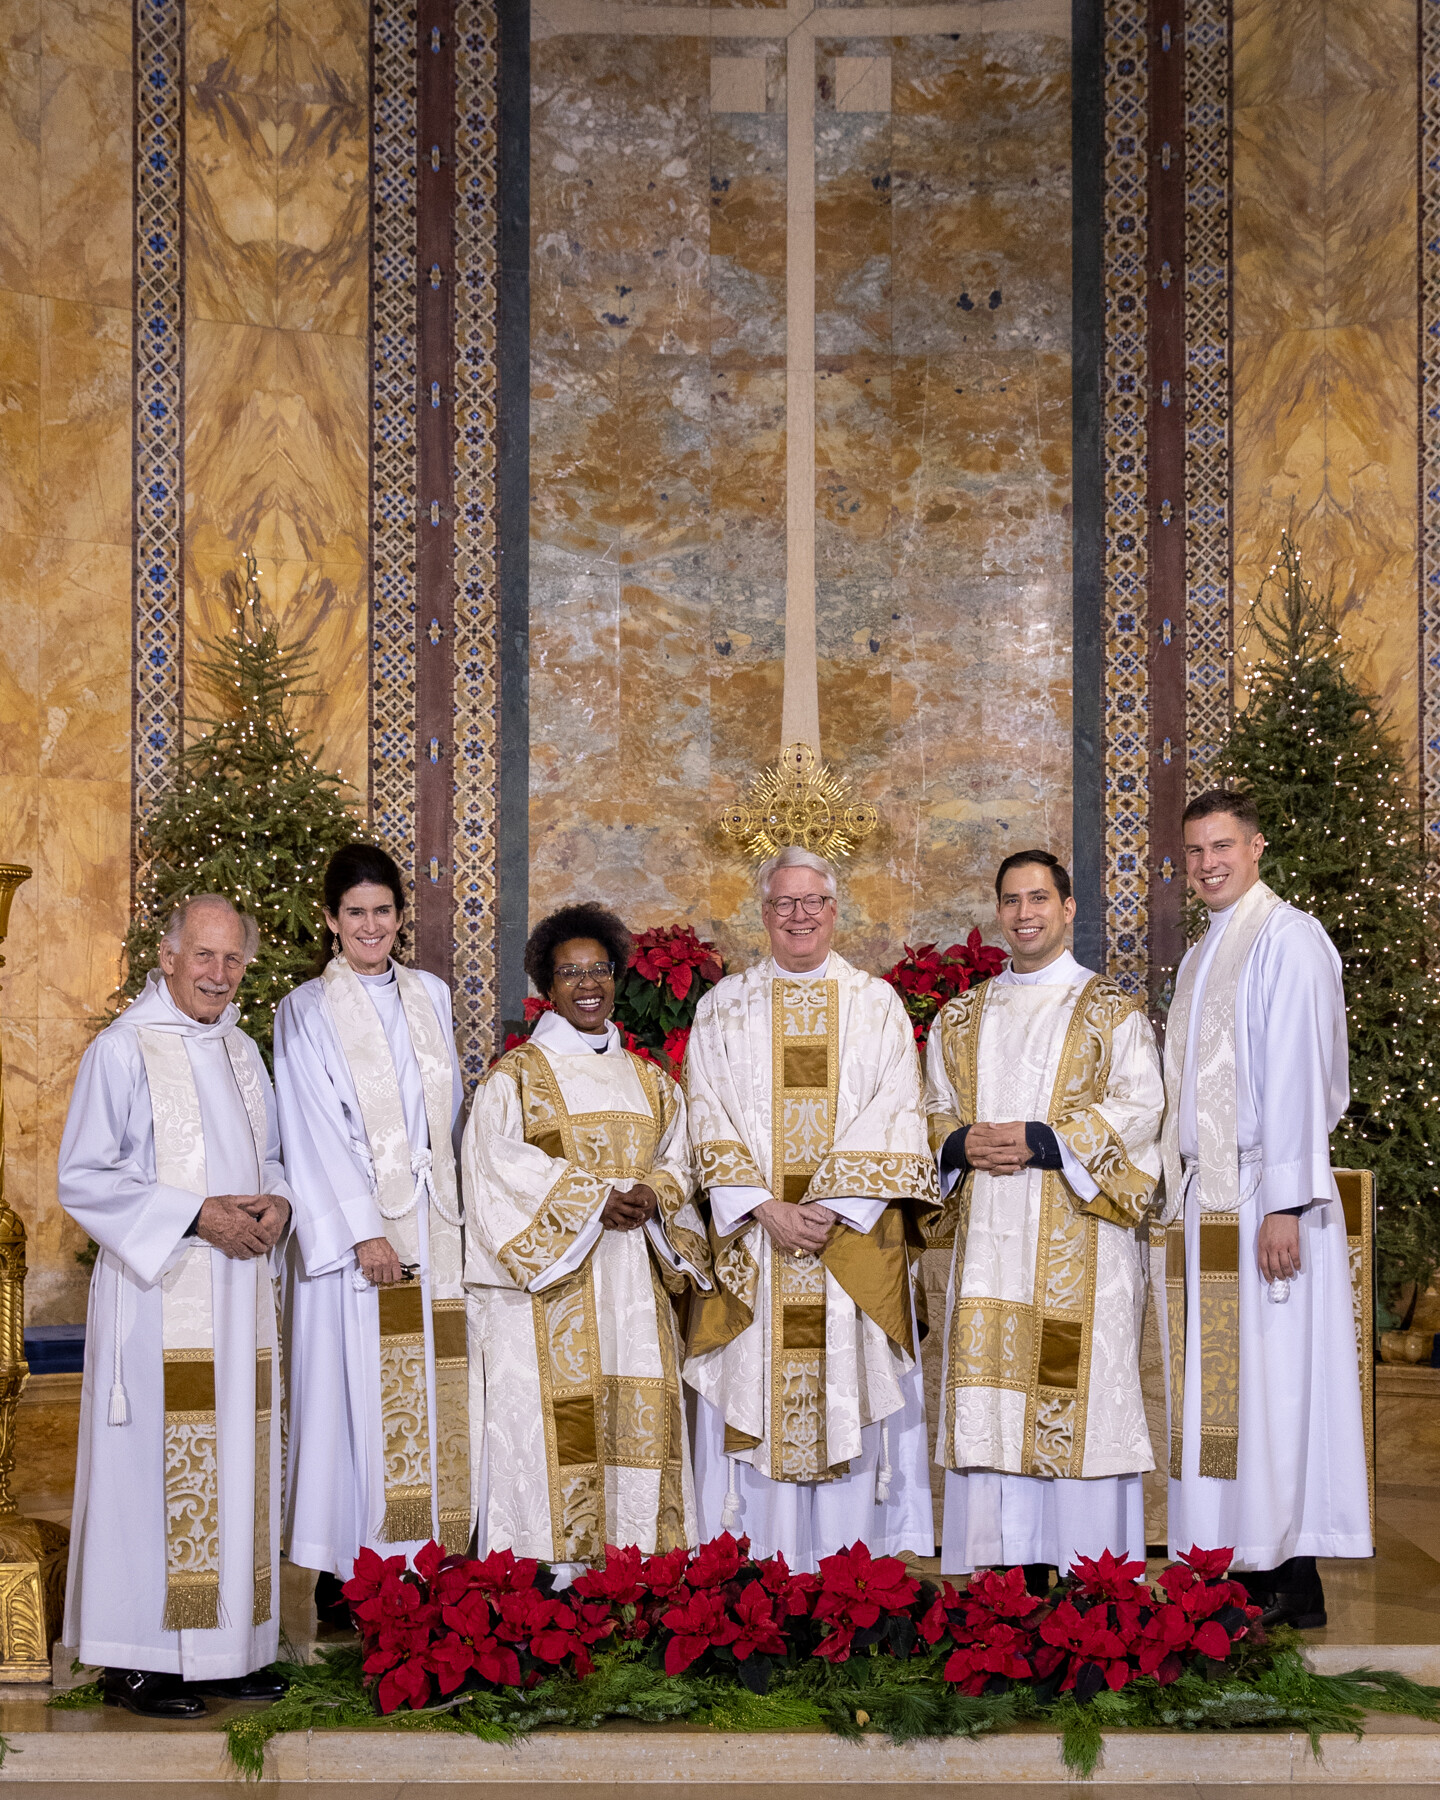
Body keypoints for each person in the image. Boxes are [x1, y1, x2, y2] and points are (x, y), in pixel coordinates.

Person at [57, 896, 290, 1717]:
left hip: (239, 1293)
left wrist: (280, 1204)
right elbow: (85, 1176)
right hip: (160, 1298)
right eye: (203, 956)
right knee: (156, 1471)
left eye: (232, 960)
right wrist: (196, 1216)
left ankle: (226, 1652)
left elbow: (270, 1158)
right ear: (167, 956)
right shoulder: (123, 1051)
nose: (218, 975)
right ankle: (139, 1661)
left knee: (235, 1463)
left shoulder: (242, 1051)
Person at [683, 846, 938, 1570]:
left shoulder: (875, 1005)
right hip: (757, 1242)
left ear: (834, 909)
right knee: (754, 1386)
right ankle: (752, 1571)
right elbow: (704, 1112)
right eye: (783, 903)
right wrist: (763, 1206)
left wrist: (829, 1205)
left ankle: (850, 1576)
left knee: (850, 1388)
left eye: (812, 902)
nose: (799, 916)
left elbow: (898, 1109)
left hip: (845, 1241)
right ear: (764, 914)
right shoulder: (722, 1008)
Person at [924, 851, 1163, 1589]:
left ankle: (1092, 1590)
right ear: (998, 912)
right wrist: (959, 1145)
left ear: (1068, 908)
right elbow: (928, 1112)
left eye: (1038, 899)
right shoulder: (959, 1019)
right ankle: (1005, 1585)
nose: (1024, 914)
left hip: (1081, 1245)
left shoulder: (1112, 1011)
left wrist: (1049, 1141)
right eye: (1011, 901)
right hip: (989, 1249)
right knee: (994, 1404)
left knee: (1077, 1402)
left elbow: (1142, 1110)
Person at [1159, 789, 1370, 1626]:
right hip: (1212, 1197)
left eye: (1222, 847)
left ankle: (1287, 1573)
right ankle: (1230, 1566)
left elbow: (1298, 1074)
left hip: (1265, 1199)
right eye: (1195, 851)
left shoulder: (1289, 938)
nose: (1207, 863)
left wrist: (1285, 1202)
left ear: (1255, 847)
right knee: (1226, 1393)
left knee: (1275, 1383)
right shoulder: (1201, 953)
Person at [462, 904, 710, 1570]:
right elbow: (494, 1167)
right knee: (554, 1428)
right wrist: (594, 1199)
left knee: (632, 1418)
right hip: (552, 1289)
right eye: (570, 973)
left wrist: (653, 1194)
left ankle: (636, 1575)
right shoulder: (516, 1078)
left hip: (633, 1288)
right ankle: (550, 1586)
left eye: (599, 969)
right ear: (548, 984)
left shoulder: (653, 1082)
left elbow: (682, 1160)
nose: (587, 984)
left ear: (616, 976)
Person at [274, 844, 469, 1627]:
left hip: (435, 1221)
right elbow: (310, 1128)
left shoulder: (431, 994)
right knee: (358, 1395)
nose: (370, 925)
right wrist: (363, 1232)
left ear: (399, 915)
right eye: (354, 912)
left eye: (382, 910)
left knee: (429, 1389)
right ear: (329, 919)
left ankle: (424, 1562)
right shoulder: (306, 1009)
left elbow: (444, 1111)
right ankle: (352, 1573)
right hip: (362, 1235)